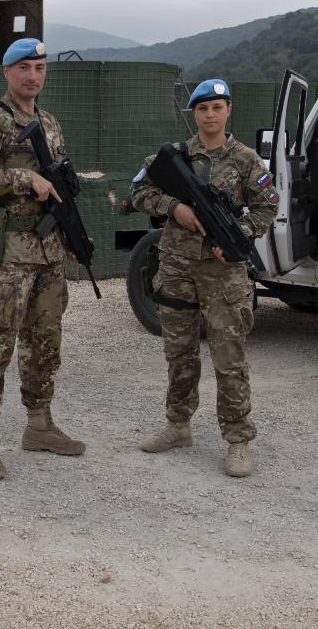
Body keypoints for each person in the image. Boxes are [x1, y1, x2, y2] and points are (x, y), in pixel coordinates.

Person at [129, 79, 275, 478]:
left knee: (229, 358)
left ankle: (238, 438)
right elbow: (138, 191)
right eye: (203, 108)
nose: (210, 115)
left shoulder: (247, 160)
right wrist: (173, 207)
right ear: (194, 113)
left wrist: (240, 234)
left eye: (217, 107)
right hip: (177, 267)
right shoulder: (175, 156)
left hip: (223, 273)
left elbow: (266, 208)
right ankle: (178, 425)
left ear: (229, 111)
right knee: (179, 352)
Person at [0, 36, 86, 481]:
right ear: (7, 72)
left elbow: (61, 186)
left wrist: (71, 232)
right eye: (24, 68)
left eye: (40, 68)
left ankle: (39, 424)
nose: (33, 76)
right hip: (8, 254)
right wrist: (24, 178)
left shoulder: (49, 122)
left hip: (48, 252)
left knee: (45, 341)